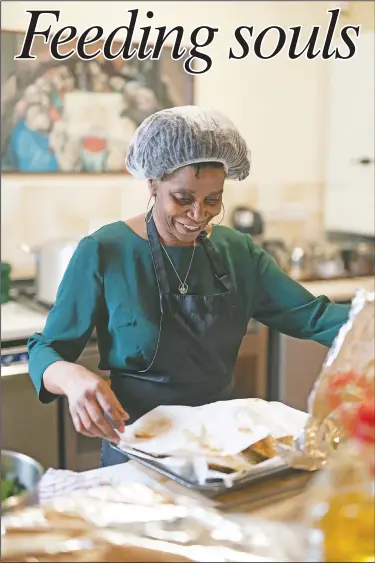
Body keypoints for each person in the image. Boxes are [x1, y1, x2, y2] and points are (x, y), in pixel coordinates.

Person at [27, 106, 350, 467]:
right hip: (137, 447)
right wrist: (71, 378)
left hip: (223, 446)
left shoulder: (237, 251)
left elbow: (315, 316)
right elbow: (46, 350)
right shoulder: (105, 251)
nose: (199, 215)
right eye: (183, 199)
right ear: (153, 183)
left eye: (212, 200)